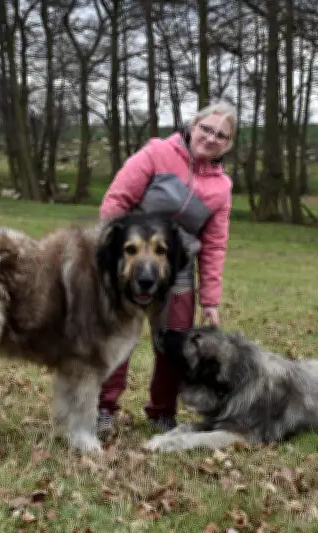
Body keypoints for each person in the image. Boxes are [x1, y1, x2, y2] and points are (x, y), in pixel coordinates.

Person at [96, 102, 236, 437]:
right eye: (207, 128)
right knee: (118, 339)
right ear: (193, 124)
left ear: (228, 144)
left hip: (178, 274)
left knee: (174, 344)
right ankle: (102, 408)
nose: (211, 137)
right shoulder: (157, 153)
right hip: (131, 266)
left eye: (221, 135)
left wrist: (211, 300)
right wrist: (110, 257)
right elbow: (115, 202)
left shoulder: (222, 188)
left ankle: (162, 412)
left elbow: (214, 246)